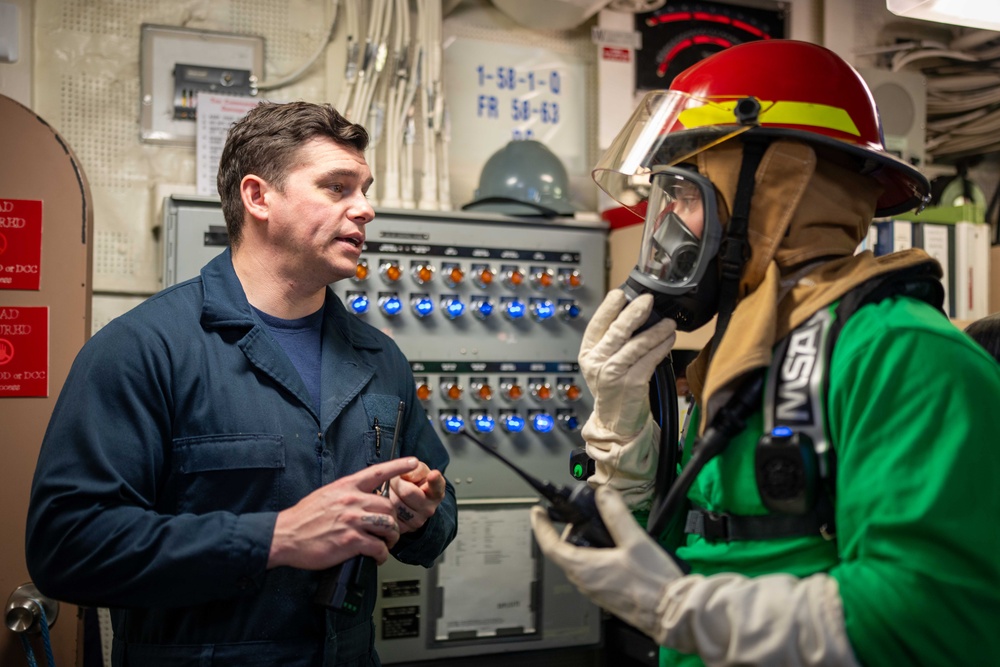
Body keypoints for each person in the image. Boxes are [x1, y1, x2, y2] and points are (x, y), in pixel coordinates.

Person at [530, 40, 1000, 666]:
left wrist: (688, 611)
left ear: (779, 189)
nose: (666, 224)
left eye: (686, 193)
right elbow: (677, 551)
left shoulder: (904, 354)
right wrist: (624, 435)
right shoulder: (747, 354)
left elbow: (931, 618)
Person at [26, 101, 458, 666]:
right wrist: (275, 538)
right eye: (337, 187)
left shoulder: (379, 357)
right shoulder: (146, 348)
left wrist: (417, 515)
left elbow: (440, 513)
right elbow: (67, 548)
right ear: (258, 197)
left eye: (365, 190)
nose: (366, 209)